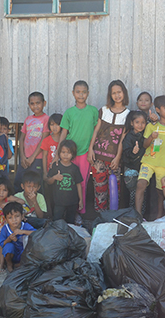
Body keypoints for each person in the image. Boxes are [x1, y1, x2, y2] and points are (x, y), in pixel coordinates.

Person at [88, 80, 130, 212]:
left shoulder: (128, 114)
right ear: (110, 95)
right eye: (114, 93)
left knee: (114, 191)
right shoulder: (104, 110)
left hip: (114, 160)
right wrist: (90, 150)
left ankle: (112, 219)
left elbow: (123, 138)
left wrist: (118, 157)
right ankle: (100, 218)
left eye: (119, 92)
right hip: (98, 158)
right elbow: (95, 131)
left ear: (124, 93)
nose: (117, 95)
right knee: (99, 190)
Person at [59, 81, 98, 218]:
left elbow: (96, 131)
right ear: (73, 93)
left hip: (85, 153)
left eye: (83, 92)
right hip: (69, 154)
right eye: (78, 92)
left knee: (82, 183)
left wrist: (91, 149)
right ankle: (69, 211)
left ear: (88, 93)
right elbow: (64, 133)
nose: (81, 94)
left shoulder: (93, 111)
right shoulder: (69, 112)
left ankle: (80, 211)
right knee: (68, 182)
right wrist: (58, 153)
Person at [14, 91, 49, 193]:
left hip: (37, 158)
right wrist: (23, 157)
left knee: (36, 184)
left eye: (38, 103)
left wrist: (32, 157)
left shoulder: (46, 119)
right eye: (32, 104)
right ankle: (20, 206)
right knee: (19, 182)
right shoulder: (28, 119)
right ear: (29, 105)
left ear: (44, 103)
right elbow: (21, 138)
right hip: (25, 159)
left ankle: (37, 207)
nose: (35, 106)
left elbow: (44, 139)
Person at [47, 140, 83, 224]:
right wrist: (54, 177)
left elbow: (78, 184)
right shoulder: (55, 166)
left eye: (69, 152)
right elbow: (48, 181)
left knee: (70, 223)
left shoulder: (75, 168)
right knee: (57, 222)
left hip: (72, 202)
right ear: (59, 153)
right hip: (58, 202)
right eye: (63, 152)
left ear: (73, 154)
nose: (66, 155)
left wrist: (81, 200)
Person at [122, 110, 148, 212]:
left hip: (142, 167)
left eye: (143, 123)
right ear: (132, 123)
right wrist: (133, 152)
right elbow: (126, 153)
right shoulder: (129, 136)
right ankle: (133, 214)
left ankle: (140, 214)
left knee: (142, 192)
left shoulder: (145, 135)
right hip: (131, 168)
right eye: (137, 122)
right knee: (133, 193)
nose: (140, 125)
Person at [0, 202, 36, 272]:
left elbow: (37, 233)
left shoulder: (25, 226)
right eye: (10, 217)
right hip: (12, 254)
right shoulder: (5, 229)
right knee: (8, 246)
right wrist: (9, 239)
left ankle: (19, 264)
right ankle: (9, 264)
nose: (14, 220)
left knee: (29, 241)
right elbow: (1, 244)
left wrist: (23, 231)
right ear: (6, 219)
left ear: (22, 216)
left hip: (24, 254)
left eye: (17, 216)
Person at [41, 113, 62, 209]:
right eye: (52, 124)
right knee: (50, 193)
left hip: (62, 171)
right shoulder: (47, 140)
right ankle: (51, 213)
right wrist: (45, 172)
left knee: (61, 193)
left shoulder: (65, 139)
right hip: (50, 170)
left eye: (57, 124)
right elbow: (44, 156)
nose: (55, 127)